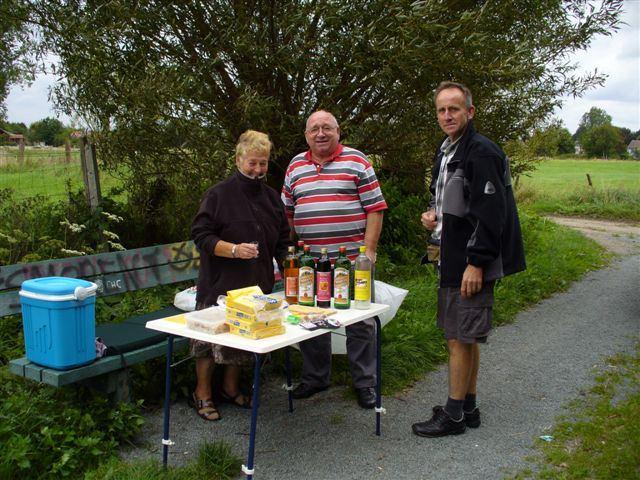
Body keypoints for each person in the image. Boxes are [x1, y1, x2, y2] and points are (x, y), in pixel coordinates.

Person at [412, 81, 526, 437]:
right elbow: (448, 199)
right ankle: (468, 406)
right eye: (442, 110)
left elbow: (493, 215)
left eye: (454, 109)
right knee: (465, 335)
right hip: (450, 255)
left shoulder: (482, 152)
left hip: (469, 261)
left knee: (458, 339)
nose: (447, 115)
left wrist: (476, 262)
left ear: (470, 112)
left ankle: (453, 415)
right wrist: (432, 215)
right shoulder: (447, 150)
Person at [281, 110, 387, 409]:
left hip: (352, 261)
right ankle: (316, 377)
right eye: (314, 129)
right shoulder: (295, 166)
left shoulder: (357, 161)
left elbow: (375, 208)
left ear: (338, 132)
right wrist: (286, 252)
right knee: (310, 318)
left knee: (361, 321)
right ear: (306, 136)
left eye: (327, 127)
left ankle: (365, 384)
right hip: (307, 264)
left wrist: (368, 251)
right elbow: (286, 213)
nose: (320, 134)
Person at [190, 130, 290, 421]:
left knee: (242, 340)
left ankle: (230, 389)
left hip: (255, 286)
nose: (258, 169)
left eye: (263, 163)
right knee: (208, 345)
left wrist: (289, 269)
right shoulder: (218, 194)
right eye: (252, 163)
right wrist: (232, 249)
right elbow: (200, 235)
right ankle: (203, 393)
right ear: (238, 159)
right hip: (218, 284)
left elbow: (283, 240)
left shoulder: (272, 198)